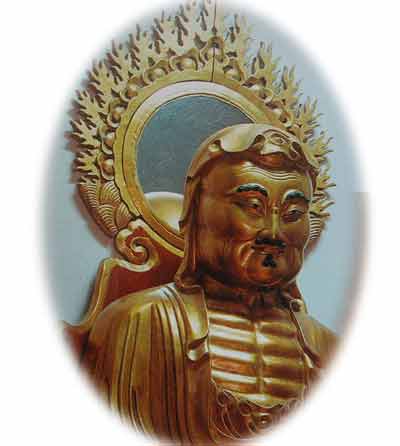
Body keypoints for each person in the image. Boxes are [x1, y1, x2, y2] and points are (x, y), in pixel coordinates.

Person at [82, 123, 337, 444]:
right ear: (197, 211)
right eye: (252, 207)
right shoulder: (142, 324)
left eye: (293, 213)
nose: (273, 233)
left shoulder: (327, 349)